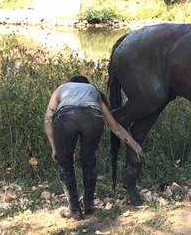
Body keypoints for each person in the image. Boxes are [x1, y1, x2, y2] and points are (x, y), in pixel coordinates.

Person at [44, 75, 144, 220]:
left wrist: (54, 147)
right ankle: (89, 205)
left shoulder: (61, 88)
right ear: (86, 84)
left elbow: (48, 118)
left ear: (71, 82)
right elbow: (114, 126)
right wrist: (134, 144)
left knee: (65, 163)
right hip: (92, 116)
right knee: (89, 161)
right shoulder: (93, 91)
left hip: (66, 117)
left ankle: (74, 209)